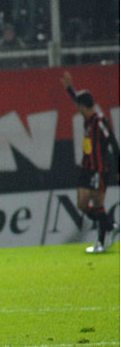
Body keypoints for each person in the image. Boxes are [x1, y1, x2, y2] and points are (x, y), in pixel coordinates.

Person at [61, 71, 120, 253]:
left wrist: (118, 168)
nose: (77, 109)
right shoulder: (88, 118)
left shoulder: (100, 121)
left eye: (79, 106)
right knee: (82, 203)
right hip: (86, 167)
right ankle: (110, 226)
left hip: (99, 168)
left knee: (97, 205)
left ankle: (101, 242)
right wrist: (70, 89)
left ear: (85, 107)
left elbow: (113, 143)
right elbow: (79, 101)